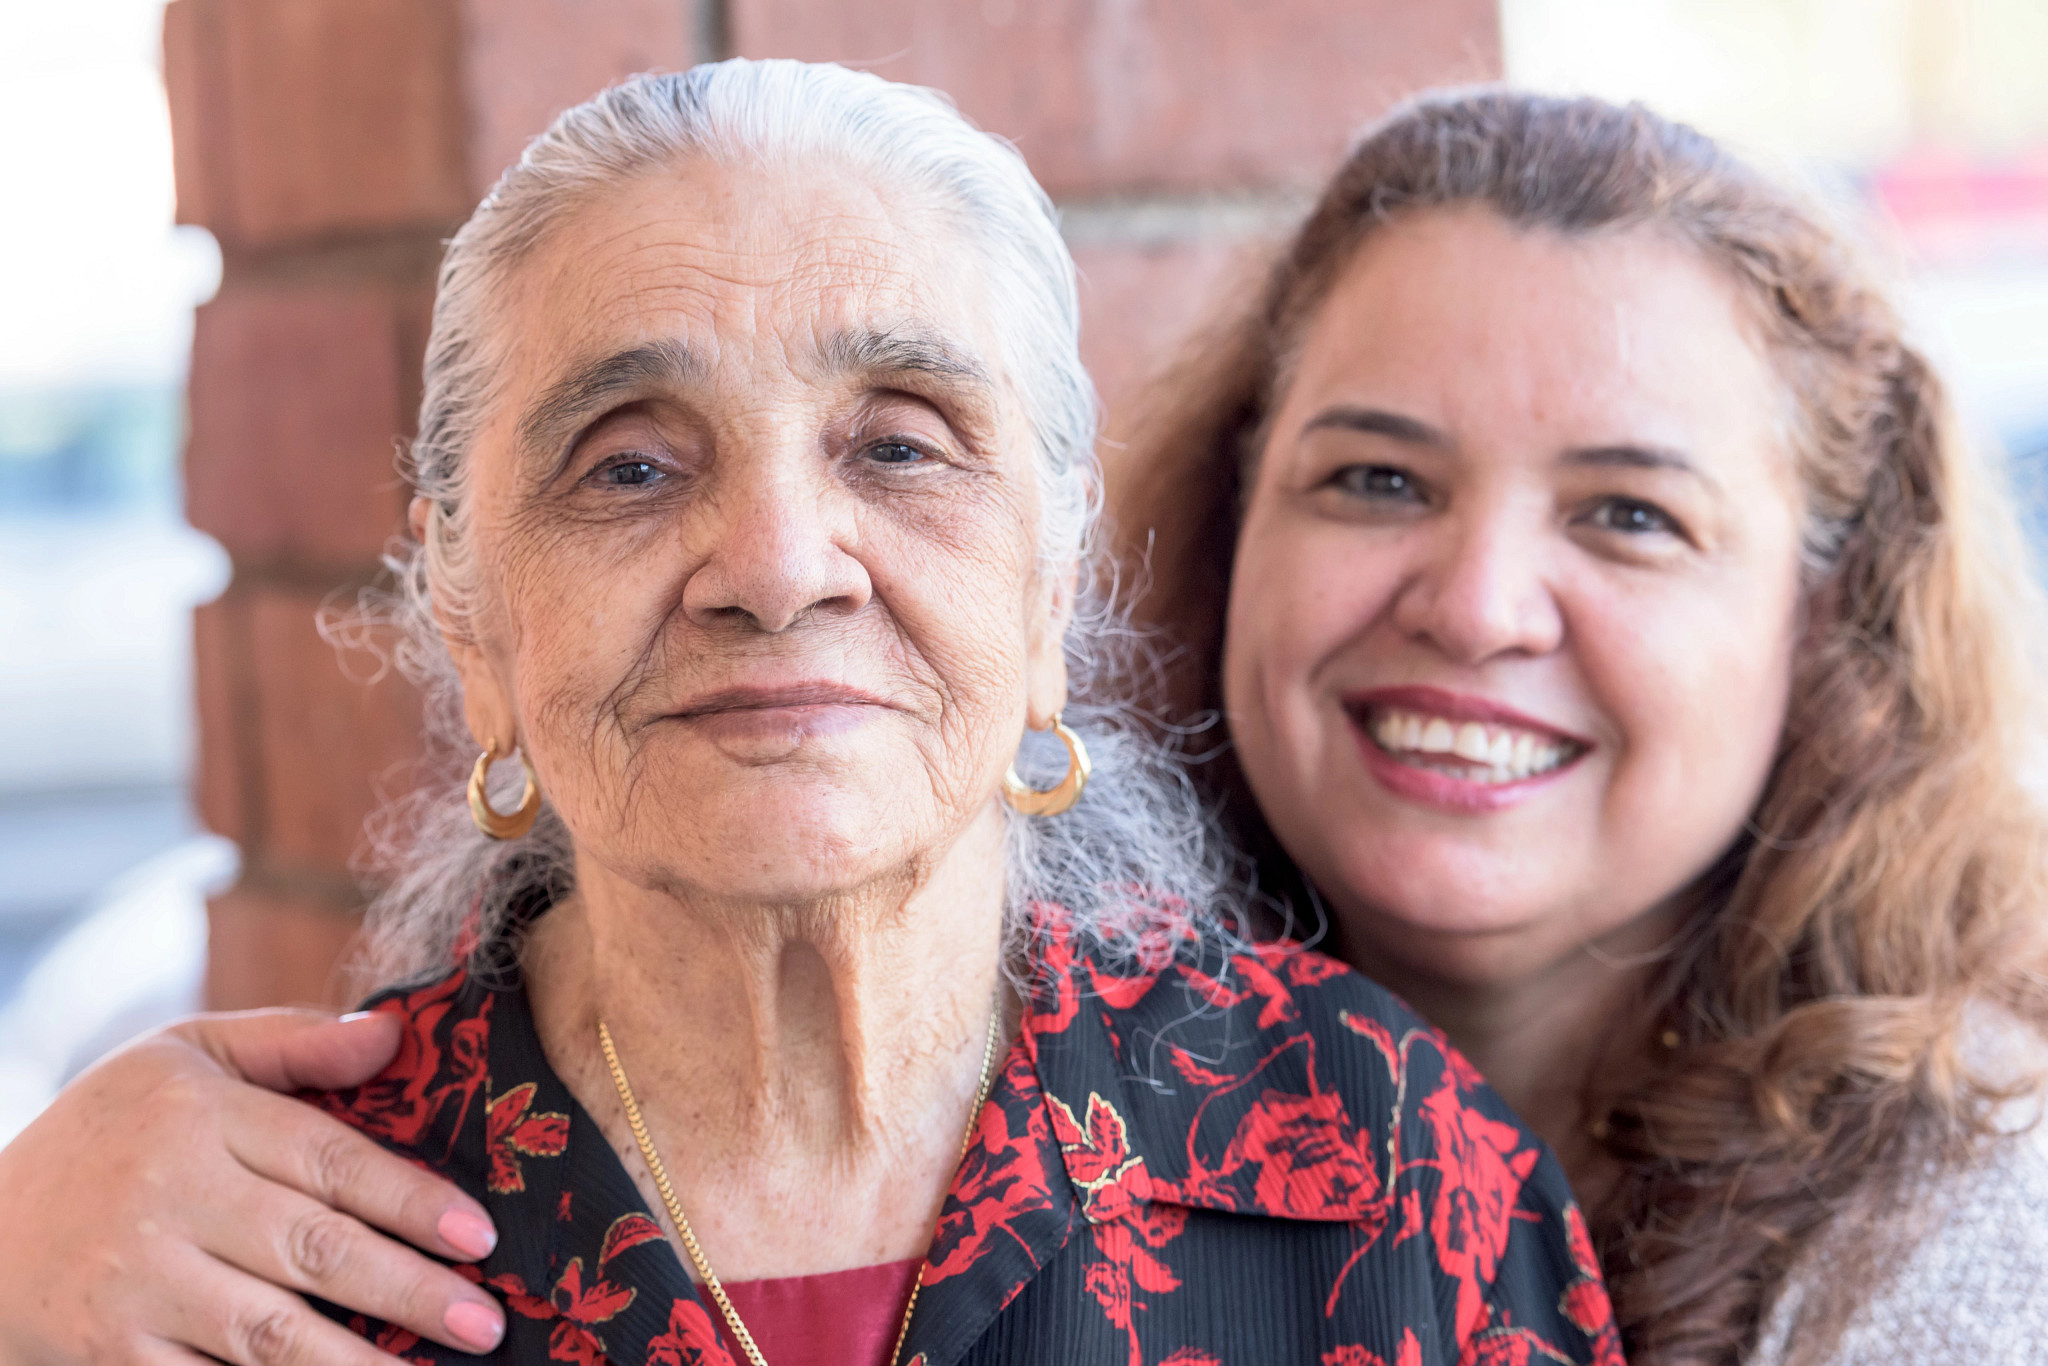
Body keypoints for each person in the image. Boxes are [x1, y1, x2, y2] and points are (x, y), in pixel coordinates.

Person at [6, 82, 2041, 1366]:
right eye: (629, 463)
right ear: (462, 594)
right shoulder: (257, 1233)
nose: (777, 556)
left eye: (900, 441)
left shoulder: (1387, 1160)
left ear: (1060, 572)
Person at [1117, 92, 2048, 1365]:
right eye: (1377, 481)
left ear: (1825, 619)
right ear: (1230, 534)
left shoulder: (1978, 1218)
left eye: (1628, 515)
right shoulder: (1005, 1105)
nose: (1475, 607)